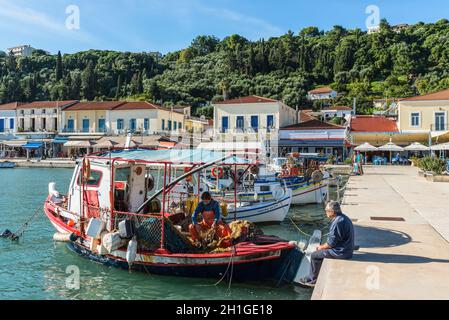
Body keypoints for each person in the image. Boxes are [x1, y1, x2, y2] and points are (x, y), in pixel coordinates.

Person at [298, 201, 354, 288]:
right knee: (321, 252)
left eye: (326, 210)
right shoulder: (344, 218)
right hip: (347, 249)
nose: (325, 212)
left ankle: (313, 279)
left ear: (332, 212)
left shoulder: (337, 223)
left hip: (341, 252)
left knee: (314, 255)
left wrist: (321, 247)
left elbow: (331, 244)